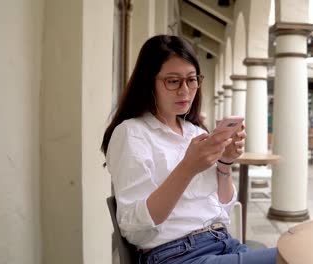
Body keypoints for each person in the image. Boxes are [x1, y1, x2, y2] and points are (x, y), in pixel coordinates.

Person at [101, 35, 277, 264]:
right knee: (296, 256)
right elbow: (135, 231)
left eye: (191, 80)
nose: (185, 91)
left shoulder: (194, 132)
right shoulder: (132, 133)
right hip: (174, 255)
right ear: (149, 82)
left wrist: (224, 161)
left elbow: (222, 209)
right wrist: (187, 168)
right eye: (173, 81)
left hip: (221, 242)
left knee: (300, 251)